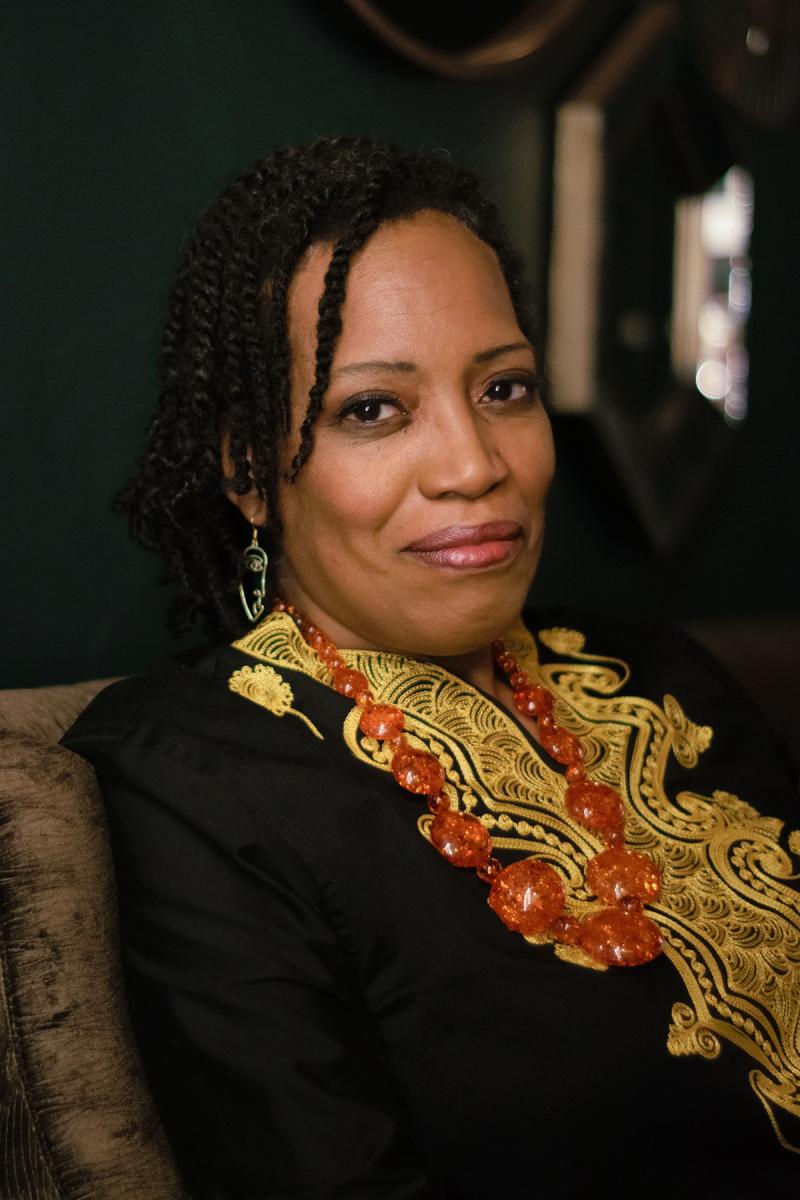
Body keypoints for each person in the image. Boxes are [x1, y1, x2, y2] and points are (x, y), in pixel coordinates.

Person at [63, 137, 800, 1197]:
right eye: (373, 410)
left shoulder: (662, 674)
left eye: (504, 388)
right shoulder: (196, 779)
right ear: (246, 470)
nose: (475, 464)